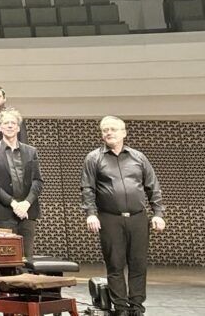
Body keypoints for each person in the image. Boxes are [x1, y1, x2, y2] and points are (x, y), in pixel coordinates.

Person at [81, 116, 165, 316]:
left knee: (138, 264)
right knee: (115, 263)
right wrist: (90, 214)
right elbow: (87, 189)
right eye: (105, 130)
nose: (109, 133)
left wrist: (158, 213)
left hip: (137, 217)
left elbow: (153, 187)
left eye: (113, 129)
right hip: (110, 218)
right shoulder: (94, 158)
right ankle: (120, 308)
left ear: (124, 132)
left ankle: (136, 307)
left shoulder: (138, 157)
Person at [0, 109, 42, 258]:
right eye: (6, 123)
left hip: (27, 212)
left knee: (26, 259)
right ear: (0, 127)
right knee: (7, 260)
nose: (9, 126)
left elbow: (37, 181)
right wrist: (14, 204)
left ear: (18, 127)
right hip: (3, 213)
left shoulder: (31, 151)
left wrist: (26, 203)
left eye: (13, 123)